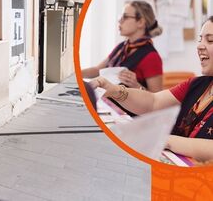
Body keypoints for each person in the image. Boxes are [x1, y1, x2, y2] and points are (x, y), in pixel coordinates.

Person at [90, 16, 213, 162]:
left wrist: (164, 139)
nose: (199, 46)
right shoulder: (198, 84)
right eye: (200, 39)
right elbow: (154, 101)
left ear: (141, 23)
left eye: (210, 40)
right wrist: (114, 90)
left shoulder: (150, 55)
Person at [82, 0, 163, 93]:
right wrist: (76, 75)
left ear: (140, 22)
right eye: (121, 17)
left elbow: (157, 98)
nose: (120, 20)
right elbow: (98, 70)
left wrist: (137, 86)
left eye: (125, 17)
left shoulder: (151, 56)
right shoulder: (122, 47)